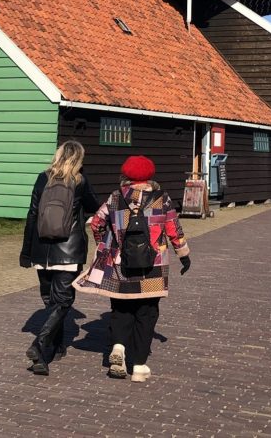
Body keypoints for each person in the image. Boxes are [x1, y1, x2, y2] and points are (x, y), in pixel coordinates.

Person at [75, 155, 190, 383]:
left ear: (126, 174)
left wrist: (105, 243)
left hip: (121, 264)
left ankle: (118, 347)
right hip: (153, 266)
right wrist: (184, 254)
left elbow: (96, 222)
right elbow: (173, 229)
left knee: (121, 308)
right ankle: (139, 366)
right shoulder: (161, 198)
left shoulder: (116, 197)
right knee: (147, 313)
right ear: (150, 174)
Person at [19, 140, 100, 376]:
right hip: (69, 250)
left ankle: (52, 349)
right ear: (79, 159)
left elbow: (32, 215)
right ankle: (40, 345)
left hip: (42, 249)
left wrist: (26, 251)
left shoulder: (42, 178)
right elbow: (95, 205)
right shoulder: (79, 180)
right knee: (63, 302)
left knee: (50, 300)